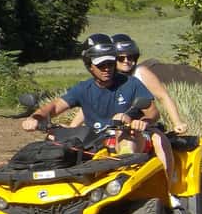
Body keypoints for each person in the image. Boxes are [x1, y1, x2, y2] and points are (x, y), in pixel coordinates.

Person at [68, 33, 185, 185]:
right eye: (121, 58)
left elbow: (163, 97)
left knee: (159, 141)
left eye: (131, 57)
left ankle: (166, 185)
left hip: (141, 125)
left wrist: (177, 122)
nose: (127, 61)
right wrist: (72, 129)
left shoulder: (140, 74)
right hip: (109, 128)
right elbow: (90, 107)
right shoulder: (106, 79)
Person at [21, 33, 158, 139]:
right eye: (101, 65)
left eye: (110, 63)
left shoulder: (131, 84)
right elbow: (55, 106)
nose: (106, 69)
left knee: (125, 141)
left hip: (128, 137)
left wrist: (142, 122)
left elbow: (153, 113)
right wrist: (35, 118)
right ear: (89, 66)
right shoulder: (83, 88)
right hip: (92, 142)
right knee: (53, 140)